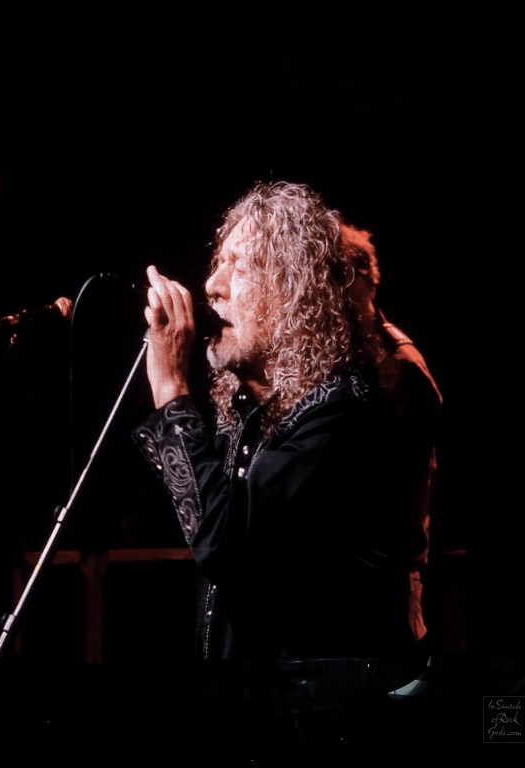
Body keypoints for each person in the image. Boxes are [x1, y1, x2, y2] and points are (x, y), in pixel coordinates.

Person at [133, 181, 420, 741]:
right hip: (258, 709)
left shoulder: (342, 414)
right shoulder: (258, 409)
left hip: (320, 721)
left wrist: (170, 388)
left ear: (292, 292)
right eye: (218, 264)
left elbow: (222, 539)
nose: (210, 287)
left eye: (236, 267)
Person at [340, 221, 443, 650]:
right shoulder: (349, 356)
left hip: (384, 582)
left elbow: (391, 485)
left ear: (361, 274)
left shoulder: (399, 365)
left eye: (334, 273)